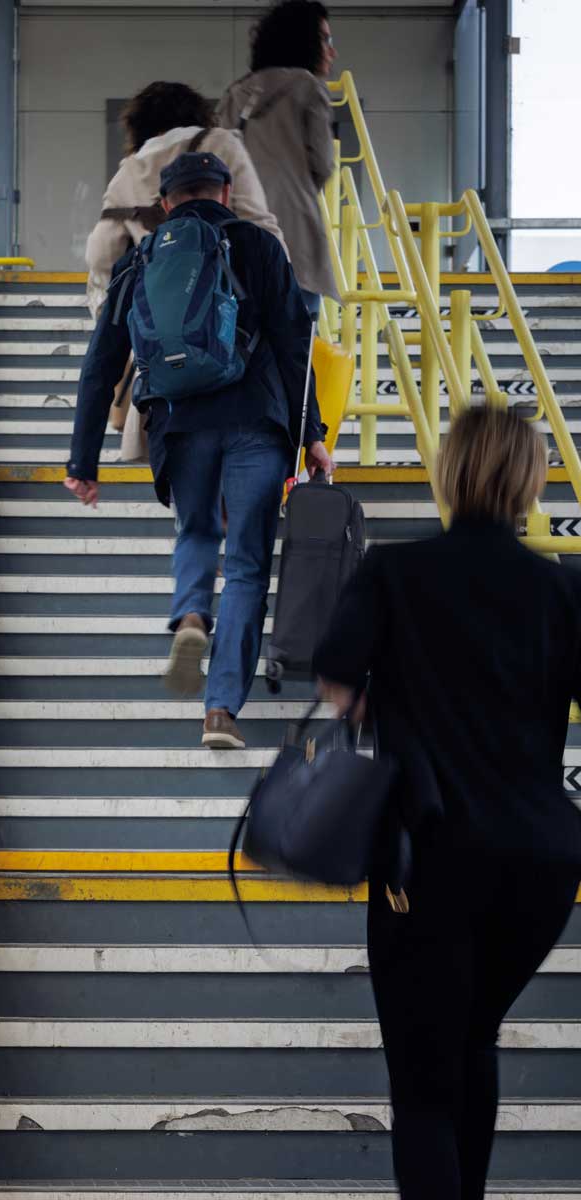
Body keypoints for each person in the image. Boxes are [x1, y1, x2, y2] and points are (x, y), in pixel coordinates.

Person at [313, 406, 581, 1200]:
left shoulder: (396, 574)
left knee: (426, 1089)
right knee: (474, 1039)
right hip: (540, 867)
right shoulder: (564, 589)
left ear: (449, 472)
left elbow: (333, 679)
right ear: (531, 481)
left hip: (427, 862)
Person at [65, 151, 334, 749]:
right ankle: (219, 713)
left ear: (166, 203)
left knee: (196, 533)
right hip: (256, 422)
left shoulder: (142, 259)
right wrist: (312, 433)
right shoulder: (261, 247)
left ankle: (190, 614)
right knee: (243, 566)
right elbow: (295, 344)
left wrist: (83, 462)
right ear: (227, 192)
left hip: (179, 424)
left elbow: (100, 365)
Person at [88, 82, 288, 461]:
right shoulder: (222, 145)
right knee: (242, 454)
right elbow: (265, 232)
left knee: (185, 467)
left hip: (169, 346)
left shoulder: (128, 173)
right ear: (198, 115)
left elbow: (101, 257)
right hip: (235, 332)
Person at [217, 0, 339, 318]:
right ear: (305, 41)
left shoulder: (235, 93)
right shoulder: (308, 88)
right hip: (295, 241)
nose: (331, 51)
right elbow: (323, 164)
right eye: (326, 39)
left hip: (239, 239)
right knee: (295, 352)